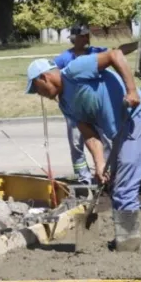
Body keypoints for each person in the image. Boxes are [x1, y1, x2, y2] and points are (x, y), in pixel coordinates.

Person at [25, 48, 141, 252]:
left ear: (44, 77)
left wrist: (131, 91)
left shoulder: (75, 71)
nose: (39, 95)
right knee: (114, 184)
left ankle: (128, 243)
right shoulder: (65, 104)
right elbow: (90, 135)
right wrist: (99, 163)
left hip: (135, 119)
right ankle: (125, 237)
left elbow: (115, 55)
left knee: (124, 187)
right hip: (119, 133)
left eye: (37, 89)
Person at [54, 24, 109, 185]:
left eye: (87, 35)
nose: (86, 38)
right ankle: (84, 178)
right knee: (77, 142)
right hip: (74, 108)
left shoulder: (95, 52)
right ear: (74, 38)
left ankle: (105, 173)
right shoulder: (64, 58)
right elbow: (52, 75)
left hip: (94, 106)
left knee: (103, 140)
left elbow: (116, 52)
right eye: (82, 36)